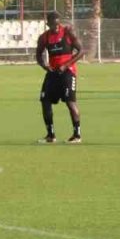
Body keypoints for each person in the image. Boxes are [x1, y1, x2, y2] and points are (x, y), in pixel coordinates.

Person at [35, 11, 83, 144]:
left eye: (57, 25)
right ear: (48, 24)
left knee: (70, 102)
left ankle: (77, 135)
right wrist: (45, 66)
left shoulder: (68, 33)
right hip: (53, 72)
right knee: (45, 101)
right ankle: (50, 135)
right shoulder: (44, 37)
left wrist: (66, 65)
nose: (56, 27)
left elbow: (81, 51)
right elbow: (38, 54)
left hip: (68, 72)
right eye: (53, 25)